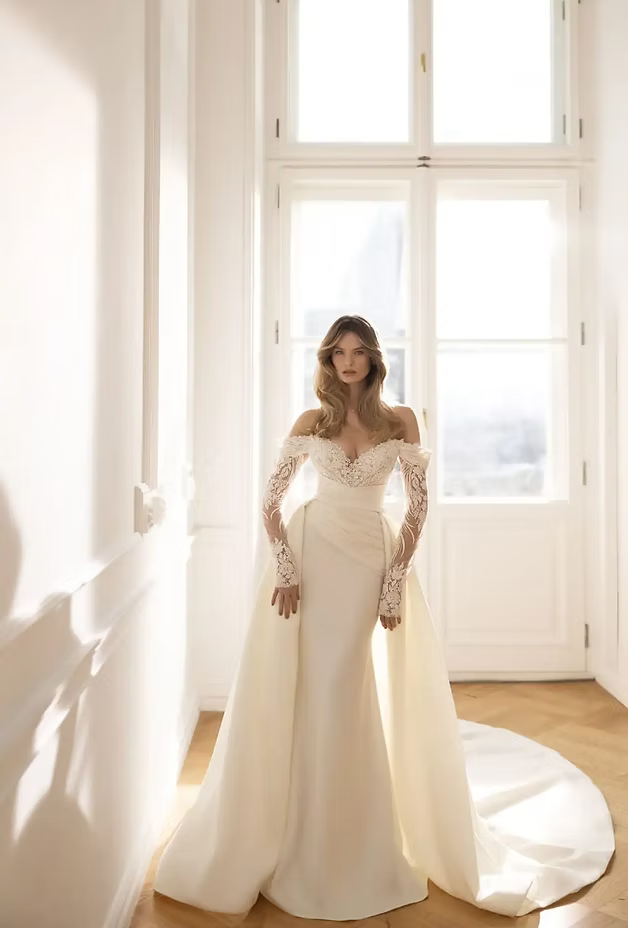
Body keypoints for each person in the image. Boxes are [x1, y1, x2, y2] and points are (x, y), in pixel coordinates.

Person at [153, 315, 614, 920]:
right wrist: (287, 569)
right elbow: (270, 500)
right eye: (338, 352)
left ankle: (354, 837)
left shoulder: (399, 421)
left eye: (359, 351)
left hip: (367, 559)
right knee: (316, 687)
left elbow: (418, 506)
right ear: (327, 360)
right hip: (313, 556)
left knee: (344, 685)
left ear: (373, 359)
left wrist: (394, 580)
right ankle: (302, 832)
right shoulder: (310, 422)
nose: (348, 361)